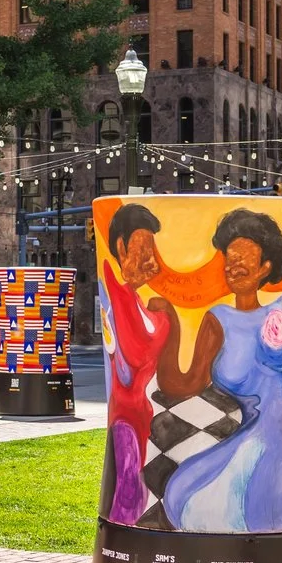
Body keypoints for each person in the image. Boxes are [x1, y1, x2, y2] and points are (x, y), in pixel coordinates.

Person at [152, 208, 282, 534]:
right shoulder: (218, 320)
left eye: (244, 258)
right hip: (252, 427)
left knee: (241, 496)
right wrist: (169, 323)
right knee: (183, 490)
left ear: (265, 267)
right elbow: (184, 383)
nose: (233, 266)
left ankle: (279, 548)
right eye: (229, 258)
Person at [97, 203, 168, 526]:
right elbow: (136, 352)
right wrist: (165, 320)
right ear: (122, 249)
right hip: (127, 416)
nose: (152, 263)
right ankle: (125, 539)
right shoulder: (117, 294)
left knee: (134, 487)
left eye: (152, 253)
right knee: (129, 491)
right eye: (144, 252)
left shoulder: (134, 300)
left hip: (139, 416)